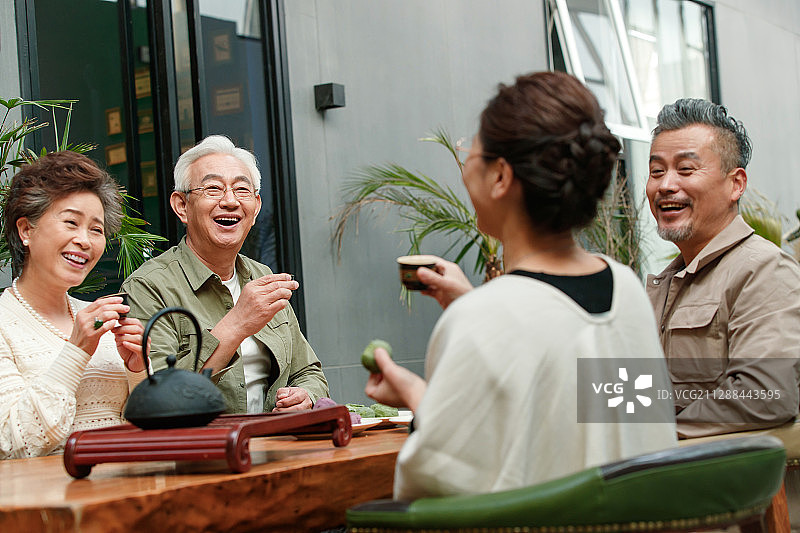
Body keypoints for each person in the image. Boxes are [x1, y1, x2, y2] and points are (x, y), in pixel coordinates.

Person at [365, 71, 677, 501]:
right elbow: (611, 428)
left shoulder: (480, 320)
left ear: (500, 177)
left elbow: (434, 488)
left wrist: (419, 395)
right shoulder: (627, 292)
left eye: (469, 151)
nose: (463, 164)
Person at [122, 135, 328, 414]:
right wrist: (236, 325)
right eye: (213, 188)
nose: (230, 201)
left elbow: (309, 371)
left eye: (242, 190)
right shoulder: (148, 287)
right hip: (198, 452)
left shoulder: (261, 276)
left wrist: (305, 396)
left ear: (255, 208)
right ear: (182, 206)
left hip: (275, 445)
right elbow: (156, 399)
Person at [645, 98, 800, 438]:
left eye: (686, 169)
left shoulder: (764, 271)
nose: (666, 184)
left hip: (740, 491)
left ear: (736, 184)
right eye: (656, 171)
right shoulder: (660, 287)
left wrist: (655, 437)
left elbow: (765, 395)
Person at [0, 151, 147, 459]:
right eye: (71, 222)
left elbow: (149, 431)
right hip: (49, 501)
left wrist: (138, 370)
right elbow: (15, 442)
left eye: (96, 229)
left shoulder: (99, 320)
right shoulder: (4, 322)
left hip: (128, 493)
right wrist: (76, 350)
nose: (85, 240)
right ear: (26, 230)